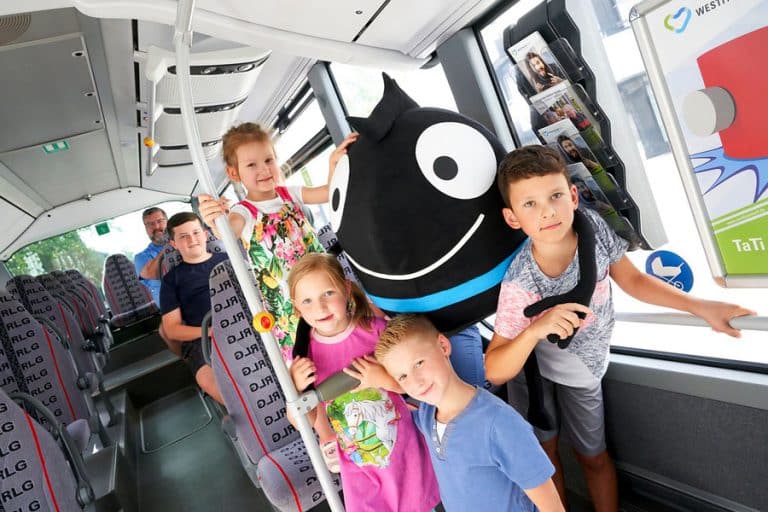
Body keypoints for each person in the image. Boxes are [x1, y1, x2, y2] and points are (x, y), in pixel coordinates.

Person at [485, 145, 755, 512]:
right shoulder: (520, 282)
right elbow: (495, 368)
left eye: (555, 196)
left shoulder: (593, 228)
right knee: (543, 457)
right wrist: (534, 330)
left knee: (593, 456)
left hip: (583, 369)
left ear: (573, 196)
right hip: (530, 368)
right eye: (530, 204)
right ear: (513, 217)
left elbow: (633, 280)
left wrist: (702, 307)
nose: (547, 211)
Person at [287, 253, 440, 512]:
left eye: (328, 293)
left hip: (402, 450)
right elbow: (302, 420)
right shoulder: (304, 358)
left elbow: (411, 384)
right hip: (358, 465)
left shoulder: (376, 331)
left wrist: (382, 379)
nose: (320, 307)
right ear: (297, 307)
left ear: (346, 290)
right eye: (307, 301)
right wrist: (297, 389)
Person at [198, 123, 357, 361]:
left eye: (268, 160)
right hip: (288, 302)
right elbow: (227, 233)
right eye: (251, 165)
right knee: (311, 353)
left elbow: (327, 192)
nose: (264, 169)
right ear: (234, 174)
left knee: (346, 330)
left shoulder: (289, 194)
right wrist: (214, 222)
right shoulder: (244, 212)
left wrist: (333, 164)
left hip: (324, 285)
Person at [375, 314, 564, 512]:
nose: (416, 382)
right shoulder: (427, 414)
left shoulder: (500, 425)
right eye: (403, 376)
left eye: (419, 363)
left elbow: (553, 508)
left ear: (443, 346)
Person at [160, 212, 228, 404]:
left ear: (205, 235)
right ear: (174, 244)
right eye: (183, 236)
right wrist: (211, 331)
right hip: (203, 339)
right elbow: (171, 329)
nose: (192, 240)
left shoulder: (229, 259)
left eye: (196, 232)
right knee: (216, 385)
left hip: (249, 326)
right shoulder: (171, 280)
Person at [134, 207, 167, 305]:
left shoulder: (183, 243)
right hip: (171, 308)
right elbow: (156, 274)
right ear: (146, 229)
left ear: (167, 222)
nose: (156, 226)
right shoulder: (141, 257)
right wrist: (171, 243)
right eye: (150, 224)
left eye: (160, 221)